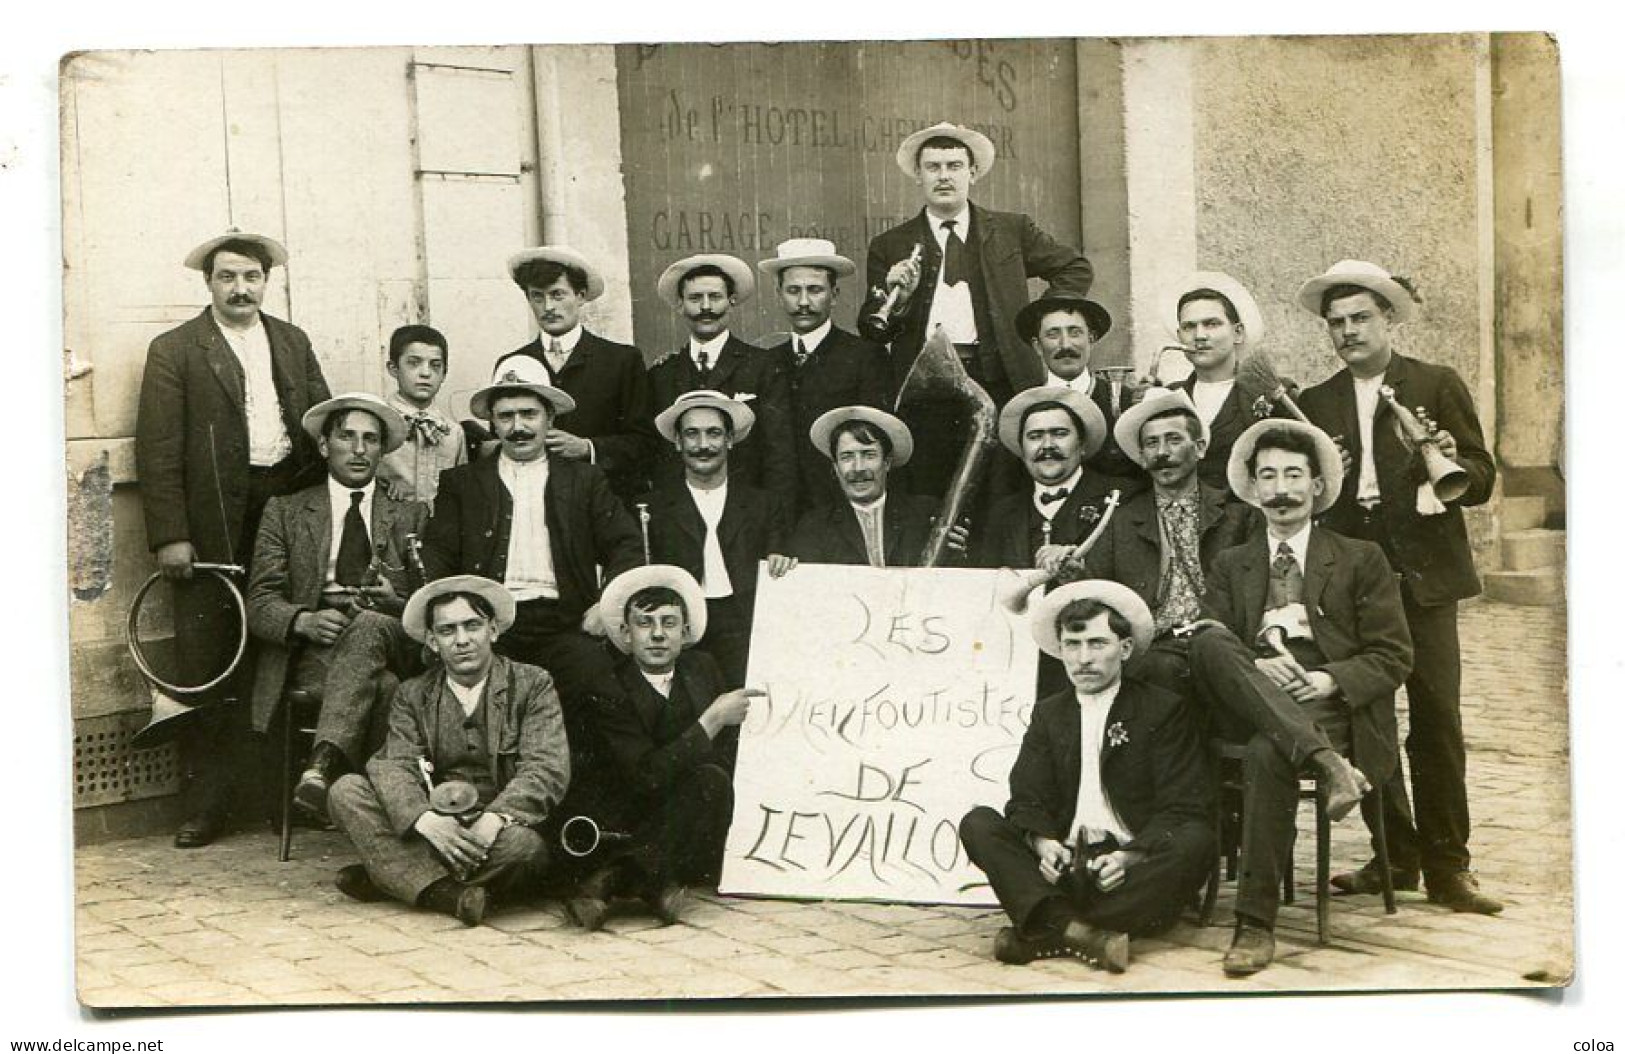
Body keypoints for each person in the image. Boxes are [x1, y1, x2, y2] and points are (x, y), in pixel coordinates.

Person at [1294, 260, 1501, 917]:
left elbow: (1481, 474)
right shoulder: (1315, 400)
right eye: (1336, 323)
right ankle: (1394, 857)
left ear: (1387, 320)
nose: (1348, 331)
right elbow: (1304, 501)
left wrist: (1440, 458)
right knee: (1363, 723)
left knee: (1435, 721)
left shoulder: (1434, 385)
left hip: (1425, 580)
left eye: (1360, 318)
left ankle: (1448, 866)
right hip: (1353, 585)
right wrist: (1327, 478)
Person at [135, 228, 332, 847]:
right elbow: (158, 450)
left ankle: (275, 799)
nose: (241, 288)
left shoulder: (292, 341)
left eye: (252, 276)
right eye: (228, 276)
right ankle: (207, 805)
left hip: (283, 505)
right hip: (213, 518)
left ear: (267, 282)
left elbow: (323, 424)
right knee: (210, 657)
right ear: (209, 283)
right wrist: (172, 535)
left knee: (279, 649)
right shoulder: (176, 350)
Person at [1202, 419, 1413, 975]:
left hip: (1328, 700)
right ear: (1253, 488)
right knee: (1207, 640)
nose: (1281, 490)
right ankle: (1327, 765)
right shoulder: (1231, 563)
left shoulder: (1359, 557)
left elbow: (1393, 656)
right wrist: (1261, 670)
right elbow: (1220, 644)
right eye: (1267, 476)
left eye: (1294, 475)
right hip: (1255, 687)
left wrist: (1326, 680)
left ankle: (1255, 925)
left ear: (1317, 486)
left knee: (1270, 751)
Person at [421, 355, 642, 824]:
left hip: (565, 622)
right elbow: (437, 557)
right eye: (506, 416)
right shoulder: (463, 483)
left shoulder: (583, 479)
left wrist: (608, 604)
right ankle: (482, 819)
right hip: (490, 627)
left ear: (550, 418)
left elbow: (626, 543)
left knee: (601, 694)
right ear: (492, 421)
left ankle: (590, 821)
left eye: (529, 414)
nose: (518, 427)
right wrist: (458, 615)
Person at [958, 581, 1213, 972]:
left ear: (1124, 649)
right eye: (1072, 645)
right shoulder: (1050, 713)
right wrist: (1043, 844)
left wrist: (1128, 858)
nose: (1083, 659)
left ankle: (1047, 929)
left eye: (1098, 644)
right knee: (978, 823)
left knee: (1198, 841)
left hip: (1126, 874)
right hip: (1064, 870)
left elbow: (1182, 805)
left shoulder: (1161, 710)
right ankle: (1085, 934)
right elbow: (1026, 796)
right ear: (1059, 650)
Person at [860, 121, 1092, 498]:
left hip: (1000, 380)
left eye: (954, 166)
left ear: (972, 172)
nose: (944, 176)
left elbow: (1075, 268)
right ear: (918, 175)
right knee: (933, 490)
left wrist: (1038, 321)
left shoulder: (1010, 229)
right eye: (933, 167)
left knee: (1004, 489)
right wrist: (898, 302)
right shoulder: (891, 243)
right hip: (926, 393)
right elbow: (872, 328)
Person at [327, 576, 568, 927]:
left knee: (524, 849)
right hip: (435, 824)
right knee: (345, 791)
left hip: (495, 829)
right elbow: (395, 764)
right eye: (447, 631)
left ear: (493, 631)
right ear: (432, 641)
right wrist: (426, 821)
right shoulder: (413, 694)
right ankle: (448, 894)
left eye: (472, 626)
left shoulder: (533, 684)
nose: (462, 640)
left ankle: (396, 876)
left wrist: (494, 819)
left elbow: (546, 768)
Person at [245, 394, 428, 820]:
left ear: (383, 450)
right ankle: (374, 806)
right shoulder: (286, 512)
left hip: (392, 635)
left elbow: (430, 604)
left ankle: (321, 769)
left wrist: (395, 599)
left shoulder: (410, 514)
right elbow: (259, 601)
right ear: (325, 446)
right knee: (384, 689)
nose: (360, 450)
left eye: (371, 439)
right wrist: (304, 620)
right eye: (347, 437)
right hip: (318, 649)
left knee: (368, 629)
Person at [565, 566, 765, 930]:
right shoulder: (607, 686)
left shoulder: (702, 668)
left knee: (712, 781)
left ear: (685, 632)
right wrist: (712, 720)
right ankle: (657, 883)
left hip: (687, 812)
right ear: (625, 633)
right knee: (704, 781)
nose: (658, 634)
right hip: (628, 812)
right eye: (644, 623)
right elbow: (644, 775)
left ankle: (616, 880)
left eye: (669, 623)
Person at [645, 390, 796, 687]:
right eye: (692, 434)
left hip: (746, 631)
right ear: (677, 442)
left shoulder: (763, 505)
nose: (703, 445)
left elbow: (782, 563)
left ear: (729, 440)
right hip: (683, 633)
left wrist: (782, 561)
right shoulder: (654, 508)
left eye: (713, 434)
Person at [493, 247, 656, 503]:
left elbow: (645, 443)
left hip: (603, 505)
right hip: (533, 503)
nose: (548, 307)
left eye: (558, 295)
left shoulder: (621, 360)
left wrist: (588, 448)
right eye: (538, 297)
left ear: (580, 296)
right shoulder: (513, 364)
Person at [647, 254, 797, 515]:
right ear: (680, 305)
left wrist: (776, 527)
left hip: (749, 515)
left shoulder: (763, 366)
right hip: (682, 517)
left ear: (731, 300)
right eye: (695, 298)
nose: (706, 307)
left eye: (715, 297)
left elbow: (779, 457)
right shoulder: (661, 375)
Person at [757, 238, 891, 509]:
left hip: (842, 510)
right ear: (778, 295)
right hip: (780, 512)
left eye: (815, 290)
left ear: (835, 294)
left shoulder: (865, 356)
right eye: (793, 290)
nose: (803, 302)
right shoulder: (764, 362)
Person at [787, 406, 962, 567]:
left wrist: (957, 554)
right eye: (847, 457)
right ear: (836, 468)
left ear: (886, 463)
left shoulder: (925, 516)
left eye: (868, 455)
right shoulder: (814, 526)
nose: (858, 468)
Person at [1014, 293, 1144, 486]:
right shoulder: (1022, 407)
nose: (1066, 344)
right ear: (1038, 346)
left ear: (1091, 339)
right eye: (1053, 334)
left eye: (1075, 332)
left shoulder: (1125, 400)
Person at [1166, 272, 1265, 494]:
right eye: (1189, 327)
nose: (1199, 335)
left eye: (1211, 324)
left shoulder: (1269, 394)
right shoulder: (1169, 396)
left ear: (1237, 332)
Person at [376, 324, 466, 505]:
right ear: (393, 369)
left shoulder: (452, 433)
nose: (425, 373)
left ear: (444, 374)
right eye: (414, 363)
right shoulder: (377, 422)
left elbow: (462, 488)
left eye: (435, 365)